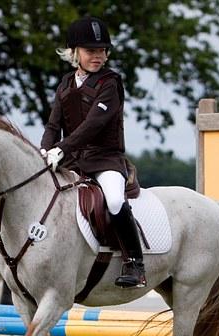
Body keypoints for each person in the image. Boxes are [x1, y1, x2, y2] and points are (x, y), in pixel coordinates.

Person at [40, 15, 146, 288]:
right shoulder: (65, 83)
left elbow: (93, 124)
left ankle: (135, 263)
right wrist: (43, 150)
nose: (98, 56)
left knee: (112, 200)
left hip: (105, 160)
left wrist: (60, 149)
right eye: (91, 51)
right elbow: (54, 124)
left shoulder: (110, 83)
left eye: (102, 50)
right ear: (74, 53)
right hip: (73, 161)